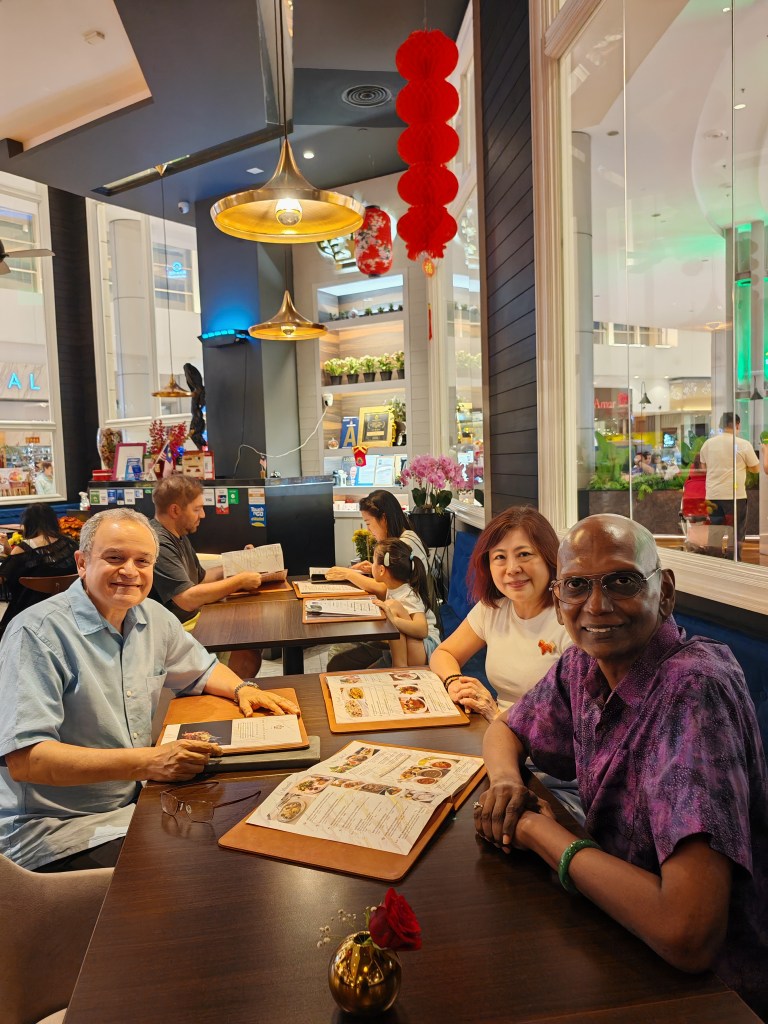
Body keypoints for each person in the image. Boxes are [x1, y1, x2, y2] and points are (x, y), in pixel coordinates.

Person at [477, 514, 768, 1016]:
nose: (597, 605)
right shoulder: (582, 664)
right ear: (559, 600)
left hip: (715, 995)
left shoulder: (693, 690)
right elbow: (507, 729)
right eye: (577, 586)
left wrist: (536, 831)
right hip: (618, 933)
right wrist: (505, 782)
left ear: (665, 591)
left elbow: (688, 933)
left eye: (622, 581)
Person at [0, 508, 299, 873]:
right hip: (55, 830)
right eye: (114, 558)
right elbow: (27, 759)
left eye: (142, 561)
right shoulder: (36, 633)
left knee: (250, 825)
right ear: (82, 562)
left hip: (131, 804)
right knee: (205, 868)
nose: (130, 571)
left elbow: (201, 670)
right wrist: (150, 761)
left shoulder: (151, 616)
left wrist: (242, 687)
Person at [430, 507, 571, 722]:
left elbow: (575, 719)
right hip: (495, 729)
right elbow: (444, 653)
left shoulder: (571, 622)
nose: (512, 568)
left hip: (540, 738)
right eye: (500, 557)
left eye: (524, 554)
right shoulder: (493, 609)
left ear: (549, 557)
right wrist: (455, 682)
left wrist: (495, 715)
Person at [148, 476, 262, 677]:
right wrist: (239, 581)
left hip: (193, 619)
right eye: (197, 509)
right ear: (175, 510)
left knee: (252, 634)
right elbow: (186, 599)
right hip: (174, 631)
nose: (203, 515)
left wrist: (238, 563)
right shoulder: (159, 542)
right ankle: (221, 690)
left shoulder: (178, 535)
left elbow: (200, 579)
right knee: (247, 655)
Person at [325, 490, 429, 670]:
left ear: (384, 519)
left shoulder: (406, 544)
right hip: (404, 633)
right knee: (340, 656)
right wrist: (375, 569)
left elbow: (384, 589)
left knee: (339, 656)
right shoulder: (403, 539)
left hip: (413, 639)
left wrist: (349, 574)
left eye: (368, 523)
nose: (368, 530)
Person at [0, 502, 77, 638]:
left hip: (28, 613)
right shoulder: (70, 544)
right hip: (69, 610)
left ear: (28, 523)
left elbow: (3, 577)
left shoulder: (24, 549)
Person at [370, 538, 440, 667]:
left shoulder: (408, 594)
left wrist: (394, 620)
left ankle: (399, 666)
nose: (371, 565)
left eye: (373, 562)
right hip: (417, 648)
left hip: (427, 648)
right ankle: (398, 664)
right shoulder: (394, 588)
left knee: (392, 606)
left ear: (381, 570)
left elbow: (422, 630)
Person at [699, 412, 759, 558]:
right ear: (738, 425)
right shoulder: (743, 444)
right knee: (737, 532)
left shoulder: (708, 444)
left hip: (713, 495)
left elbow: (703, 467)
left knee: (715, 531)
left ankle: (715, 561)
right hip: (735, 496)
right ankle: (734, 561)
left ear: (721, 425)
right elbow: (756, 468)